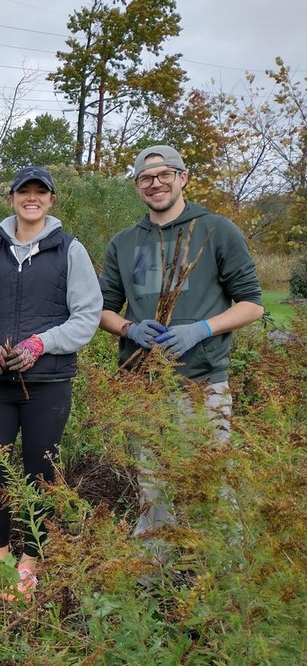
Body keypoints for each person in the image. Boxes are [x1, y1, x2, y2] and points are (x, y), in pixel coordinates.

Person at [97, 144, 263, 553]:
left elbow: (252, 304)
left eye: (164, 175)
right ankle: (157, 573)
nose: (156, 184)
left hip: (202, 382)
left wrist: (201, 329)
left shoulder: (216, 229)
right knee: (153, 484)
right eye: (146, 178)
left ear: (182, 178)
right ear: (137, 187)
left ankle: (225, 575)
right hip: (144, 383)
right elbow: (100, 309)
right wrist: (129, 328)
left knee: (211, 479)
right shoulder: (124, 243)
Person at [0, 166, 101, 600]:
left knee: (40, 475)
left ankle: (30, 564)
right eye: (25, 191)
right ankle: (0, 557)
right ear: (13, 198)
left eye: (41, 192)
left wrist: (42, 343)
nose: (32, 198)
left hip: (48, 385)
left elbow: (87, 315)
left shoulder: (70, 251)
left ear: (51, 200)